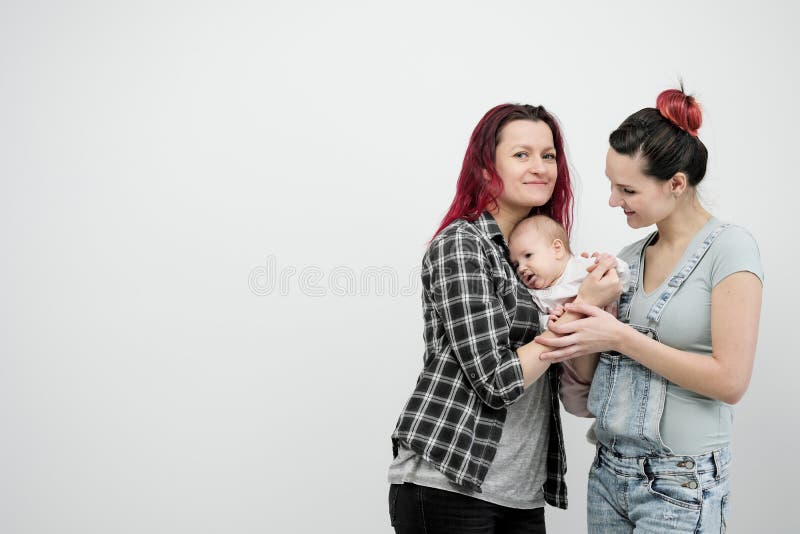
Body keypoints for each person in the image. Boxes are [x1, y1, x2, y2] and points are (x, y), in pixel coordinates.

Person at [536, 87, 764, 533]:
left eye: (627, 189)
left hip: (681, 483)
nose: (612, 200)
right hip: (608, 475)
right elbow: (585, 395)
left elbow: (731, 382)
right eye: (610, 184)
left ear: (676, 184)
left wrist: (619, 336)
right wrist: (584, 311)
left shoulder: (730, 250)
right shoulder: (627, 259)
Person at [387, 104, 621, 534]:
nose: (540, 167)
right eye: (522, 154)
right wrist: (579, 305)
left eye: (548, 156)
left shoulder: (541, 264)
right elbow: (497, 381)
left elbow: (579, 386)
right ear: (485, 166)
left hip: (521, 492)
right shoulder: (462, 244)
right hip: (451, 483)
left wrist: (591, 308)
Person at [508, 214, 631, 328]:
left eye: (528, 255)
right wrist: (549, 320)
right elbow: (536, 322)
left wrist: (612, 264)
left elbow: (623, 282)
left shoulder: (583, 266)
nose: (521, 268)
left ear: (557, 249)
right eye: (516, 264)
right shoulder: (535, 296)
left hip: (610, 336)